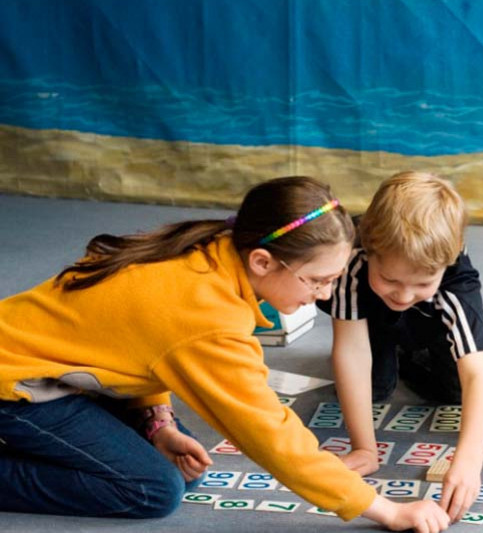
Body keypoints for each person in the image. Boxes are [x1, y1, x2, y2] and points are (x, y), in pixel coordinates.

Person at [0, 176, 450, 532]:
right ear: (262, 262)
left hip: (55, 369)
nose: (324, 295)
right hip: (17, 385)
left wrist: (158, 423)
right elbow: (270, 434)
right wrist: (385, 510)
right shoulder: (208, 319)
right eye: (317, 281)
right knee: (153, 490)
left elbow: (137, 344)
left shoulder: (216, 249)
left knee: (178, 468)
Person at [318, 171, 483, 522]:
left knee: (453, 390)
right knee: (376, 387)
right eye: (390, 279)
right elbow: (351, 351)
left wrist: (468, 463)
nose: (403, 294)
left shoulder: (455, 281)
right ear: (369, 252)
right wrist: (365, 448)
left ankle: (410, 345)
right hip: (369, 315)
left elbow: (479, 375)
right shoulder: (349, 260)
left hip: (431, 319)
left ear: (445, 266)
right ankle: (391, 338)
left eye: (422, 282)